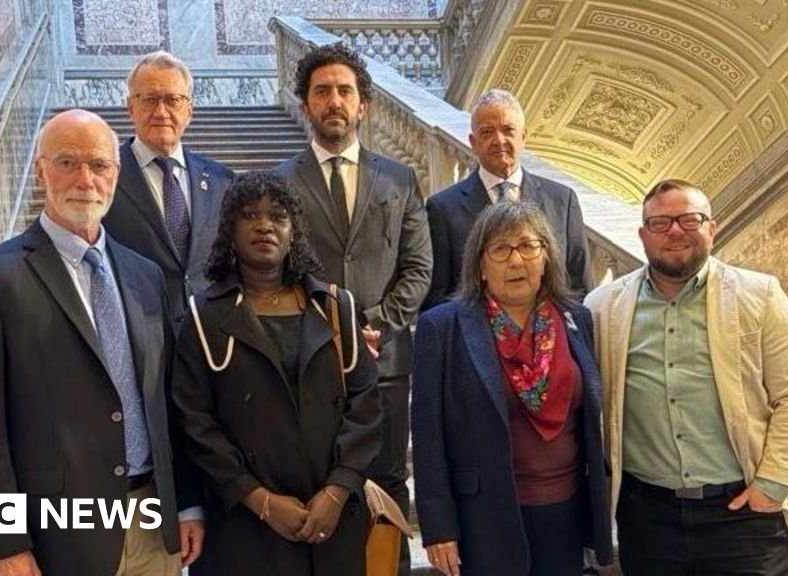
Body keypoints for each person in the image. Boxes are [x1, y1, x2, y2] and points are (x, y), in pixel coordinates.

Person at [0, 109, 203, 576]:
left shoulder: (145, 275)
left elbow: (167, 402)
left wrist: (186, 502)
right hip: (59, 539)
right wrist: (2, 545)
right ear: (40, 171)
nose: (85, 180)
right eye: (67, 163)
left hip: (153, 527)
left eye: (99, 165)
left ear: (116, 175)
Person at [585, 179, 788, 575]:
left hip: (741, 515)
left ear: (712, 228)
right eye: (660, 223)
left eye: (689, 220)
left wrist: (771, 485)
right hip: (648, 520)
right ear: (643, 234)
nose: (675, 231)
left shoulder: (759, 295)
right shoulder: (603, 307)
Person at [172, 171, 382, 575]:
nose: (264, 225)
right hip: (244, 527)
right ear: (230, 230)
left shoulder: (335, 306)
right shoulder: (203, 316)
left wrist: (337, 491)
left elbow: (366, 407)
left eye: (278, 216)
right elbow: (194, 423)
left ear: (294, 232)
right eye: (250, 215)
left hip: (332, 521)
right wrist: (260, 500)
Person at [273, 42, 432, 574]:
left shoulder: (399, 179)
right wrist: (332, 333)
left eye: (344, 91)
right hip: (309, 368)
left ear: (363, 105)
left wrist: (373, 326)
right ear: (305, 104)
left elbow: (418, 268)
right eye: (322, 91)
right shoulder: (280, 182)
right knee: (321, 489)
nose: (334, 101)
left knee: (386, 487)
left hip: (385, 365)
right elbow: (275, 273)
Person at [412, 201, 613, 576]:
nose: (516, 260)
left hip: (567, 512)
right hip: (484, 516)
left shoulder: (577, 319)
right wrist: (438, 527)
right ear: (480, 265)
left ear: (546, 257)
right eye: (500, 249)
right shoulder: (442, 328)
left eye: (528, 246)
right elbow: (427, 436)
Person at [103, 50, 235, 331]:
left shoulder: (222, 181)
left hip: (211, 333)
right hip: (137, 334)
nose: (161, 112)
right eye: (150, 100)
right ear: (130, 107)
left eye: (173, 100)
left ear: (189, 110)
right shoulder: (105, 177)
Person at [423, 89, 591, 309]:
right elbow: (437, 298)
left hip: (550, 327)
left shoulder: (562, 201)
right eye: (487, 132)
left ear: (523, 137)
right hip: (474, 328)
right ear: (473, 142)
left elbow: (579, 287)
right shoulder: (443, 208)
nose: (499, 140)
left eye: (508, 130)